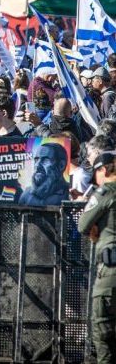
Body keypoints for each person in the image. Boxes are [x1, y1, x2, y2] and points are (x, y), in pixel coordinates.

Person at [78, 152, 116, 363]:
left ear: (104, 170)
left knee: (103, 332)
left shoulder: (106, 192)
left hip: (111, 271)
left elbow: (83, 224)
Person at [18, 142, 69, 206]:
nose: (37, 165)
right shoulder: (26, 194)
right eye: (36, 160)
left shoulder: (69, 194)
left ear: (61, 165)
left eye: (45, 160)